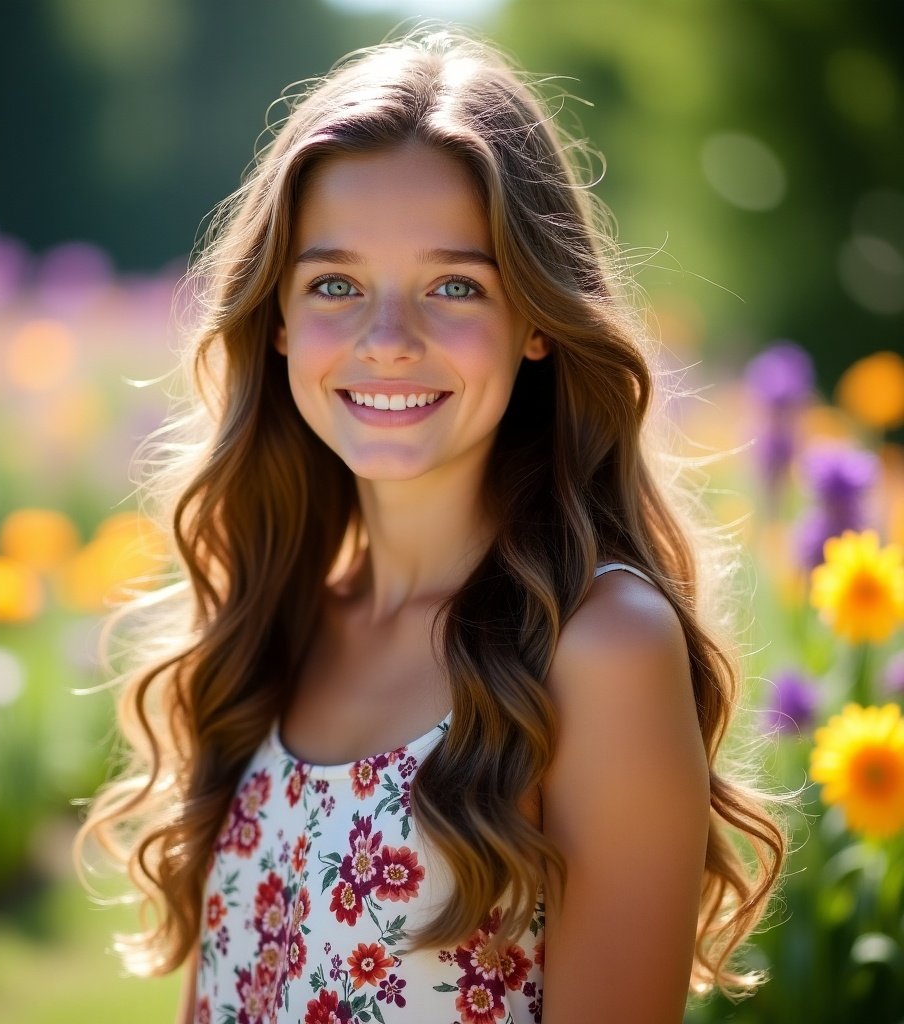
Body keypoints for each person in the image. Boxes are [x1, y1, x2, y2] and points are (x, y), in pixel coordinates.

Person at [74, 27, 787, 1024]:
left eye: (455, 285)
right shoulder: (273, 620)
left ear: (536, 319)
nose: (387, 341)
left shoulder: (598, 647)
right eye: (336, 285)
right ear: (278, 321)